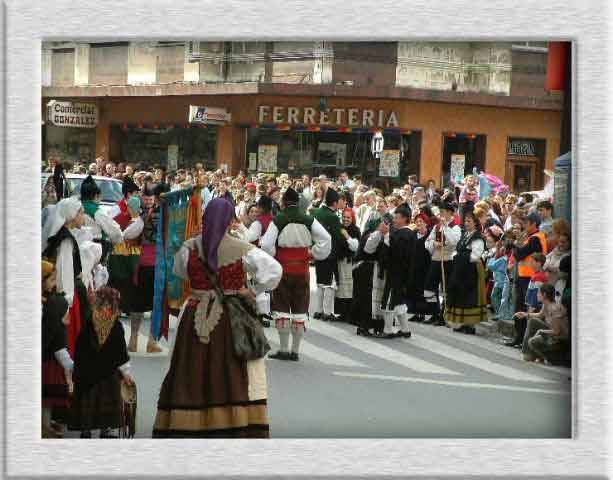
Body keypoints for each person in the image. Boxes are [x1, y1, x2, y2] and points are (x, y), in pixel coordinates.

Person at [153, 198, 282, 438]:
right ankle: (231, 424)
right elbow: (274, 270)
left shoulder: (188, 248)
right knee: (230, 370)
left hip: (194, 314)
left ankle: (188, 424)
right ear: (229, 220)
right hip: (229, 315)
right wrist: (253, 290)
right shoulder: (243, 249)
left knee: (190, 367)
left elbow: (179, 272)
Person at [260, 187, 331, 361]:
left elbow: (267, 245)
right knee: (300, 308)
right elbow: (326, 238)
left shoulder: (279, 219)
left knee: (282, 306)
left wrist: (274, 255)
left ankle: (284, 349)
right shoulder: (308, 219)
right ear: (298, 203)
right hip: (302, 269)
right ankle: (295, 351)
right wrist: (314, 252)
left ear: (283, 202)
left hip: (283, 268)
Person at [70, 287, 133, 438]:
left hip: (87, 375)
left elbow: (79, 349)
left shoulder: (89, 323)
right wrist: (127, 373)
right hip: (108, 375)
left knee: (89, 401)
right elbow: (121, 353)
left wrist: (76, 370)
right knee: (107, 400)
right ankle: (106, 428)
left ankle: (87, 429)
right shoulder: (116, 326)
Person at [505, 212, 547, 346]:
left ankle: (522, 339)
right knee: (521, 306)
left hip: (529, 277)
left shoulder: (535, 238)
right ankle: (519, 338)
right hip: (525, 276)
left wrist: (514, 246)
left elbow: (520, 254)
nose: (524, 227)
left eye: (526, 224)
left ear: (534, 224)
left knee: (524, 308)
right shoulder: (531, 237)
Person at [42, 260, 73, 438]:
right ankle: (43, 427)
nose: (55, 284)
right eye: (52, 280)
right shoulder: (51, 306)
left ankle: (46, 424)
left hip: (50, 356)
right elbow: (50, 337)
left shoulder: (51, 302)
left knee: (48, 397)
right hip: (47, 357)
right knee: (45, 396)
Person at [445, 210, 487, 334]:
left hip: (471, 270)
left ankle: (471, 325)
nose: (466, 223)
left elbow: (475, 255)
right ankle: (463, 323)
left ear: (475, 223)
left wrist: (459, 256)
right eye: (466, 221)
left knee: (470, 296)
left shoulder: (477, 237)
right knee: (461, 295)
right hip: (462, 269)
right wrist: (456, 255)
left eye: (469, 221)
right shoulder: (465, 235)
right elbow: (458, 250)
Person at [378, 205, 416, 338]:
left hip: (397, 273)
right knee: (399, 302)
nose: (394, 219)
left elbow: (397, 253)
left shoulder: (405, 234)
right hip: (400, 274)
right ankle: (405, 330)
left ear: (405, 219)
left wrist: (387, 235)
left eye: (397, 217)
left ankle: (387, 330)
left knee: (389, 301)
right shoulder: (406, 234)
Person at [107, 196, 145, 329]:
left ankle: (120, 308)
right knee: (121, 284)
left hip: (127, 254)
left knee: (123, 284)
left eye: (129, 206)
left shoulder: (137, 222)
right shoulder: (132, 220)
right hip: (124, 254)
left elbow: (125, 238)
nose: (127, 208)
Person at [423, 202, 461, 325]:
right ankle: (434, 311)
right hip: (436, 259)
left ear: (450, 213)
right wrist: (434, 244)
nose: (441, 215)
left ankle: (444, 315)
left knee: (446, 290)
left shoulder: (456, 227)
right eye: (440, 212)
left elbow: (454, 242)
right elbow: (427, 241)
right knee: (429, 288)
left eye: (443, 212)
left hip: (448, 260)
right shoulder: (437, 226)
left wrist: (446, 228)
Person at [311, 188, 344, 322]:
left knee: (320, 282)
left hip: (318, 251)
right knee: (330, 283)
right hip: (330, 253)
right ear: (335, 203)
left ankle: (318, 310)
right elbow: (338, 236)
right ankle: (327, 311)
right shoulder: (333, 217)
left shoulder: (316, 212)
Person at [517, 284, 569, 364]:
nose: (537, 295)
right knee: (532, 321)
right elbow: (540, 315)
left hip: (558, 340)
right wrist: (525, 314)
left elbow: (557, 332)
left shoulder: (555, 309)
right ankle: (528, 352)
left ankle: (544, 357)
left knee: (532, 341)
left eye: (538, 293)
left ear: (544, 295)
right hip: (551, 333)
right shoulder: (546, 304)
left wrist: (541, 331)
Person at [79, 175, 124, 261]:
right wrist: (119, 241)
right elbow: (114, 231)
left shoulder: (75, 207)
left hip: (77, 246)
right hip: (96, 248)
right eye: (100, 196)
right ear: (96, 195)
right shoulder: (97, 212)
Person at [334, 208, 361, 324]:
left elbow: (355, 247)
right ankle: (342, 313)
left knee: (349, 289)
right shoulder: (339, 228)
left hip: (349, 263)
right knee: (341, 289)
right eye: (344, 217)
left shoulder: (355, 230)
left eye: (348, 217)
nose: (345, 219)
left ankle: (350, 314)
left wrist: (346, 236)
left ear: (352, 218)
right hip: (340, 262)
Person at [409, 212, 433, 322]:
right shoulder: (413, 234)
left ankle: (423, 313)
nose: (419, 223)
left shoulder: (429, 236)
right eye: (417, 221)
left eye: (421, 221)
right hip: (414, 266)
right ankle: (415, 312)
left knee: (423, 291)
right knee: (413, 289)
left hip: (425, 266)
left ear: (426, 223)